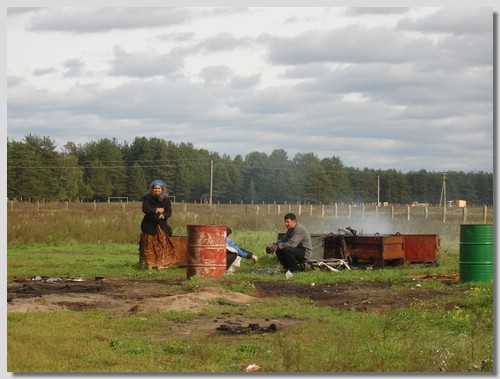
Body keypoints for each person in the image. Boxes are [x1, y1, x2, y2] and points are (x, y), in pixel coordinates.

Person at [139, 180, 178, 270]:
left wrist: (163, 215)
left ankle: (161, 264)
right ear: (152, 189)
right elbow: (146, 209)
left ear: (162, 189)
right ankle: (150, 264)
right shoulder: (147, 198)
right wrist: (157, 210)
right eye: (155, 188)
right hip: (149, 224)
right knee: (149, 245)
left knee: (162, 244)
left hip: (161, 224)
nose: (157, 190)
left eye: (159, 188)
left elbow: (169, 212)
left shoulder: (166, 199)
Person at [266, 213, 312, 279]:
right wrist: (273, 245)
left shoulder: (299, 229)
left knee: (287, 249)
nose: (286, 224)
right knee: (279, 249)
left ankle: (295, 269)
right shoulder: (290, 230)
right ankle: (287, 268)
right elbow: (283, 240)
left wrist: (278, 246)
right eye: (285, 222)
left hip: (305, 252)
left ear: (294, 221)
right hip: (296, 250)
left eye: (288, 222)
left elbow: (292, 244)